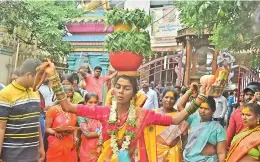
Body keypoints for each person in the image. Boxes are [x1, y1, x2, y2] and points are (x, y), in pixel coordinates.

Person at [41, 60, 210, 162]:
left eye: (126, 88)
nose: (121, 91)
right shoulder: (104, 112)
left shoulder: (143, 114)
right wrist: (54, 77)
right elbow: (68, 107)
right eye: (118, 87)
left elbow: (176, 119)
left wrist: (200, 98)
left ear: (134, 93)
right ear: (113, 90)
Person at [0, 58, 45, 162]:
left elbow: (36, 121)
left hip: (32, 154)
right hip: (12, 155)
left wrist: (41, 147)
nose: (40, 82)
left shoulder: (35, 93)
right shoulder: (5, 94)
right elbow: (1, 128)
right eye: (38, 78)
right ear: (28, 75)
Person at [177, 84, 226, 162]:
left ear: (213, 111)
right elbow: (180, 106)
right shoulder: (193, 118)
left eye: (206, 109)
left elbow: (221, 153)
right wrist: (190, 91)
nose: (202, 111)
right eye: (201, 108)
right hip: (189, 159)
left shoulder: (218, 128)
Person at [150, 88, 189, 162]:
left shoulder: (179, 116)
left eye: (172, 98)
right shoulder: (154, 113)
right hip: (156, 152)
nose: (168, 100)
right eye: (166, 97)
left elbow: (184, 137)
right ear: (162, 98)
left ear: (175, 101)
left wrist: (184, 154)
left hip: (174, 153)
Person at [45, 85, 79, 162]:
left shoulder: (73, 110)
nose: (69, 100)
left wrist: (75, 137)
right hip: (56, 143)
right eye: (67, 97)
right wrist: (56, 133)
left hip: (70, 144)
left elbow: (74, 126)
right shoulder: (53, 110)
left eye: (71, 97)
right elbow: (47, 128)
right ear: (60, 97)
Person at [226, 82, 260, 149]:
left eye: (252, 95)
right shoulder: (236, 113)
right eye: (247, 94)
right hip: (240, 148)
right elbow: (230, 134)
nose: (249, 97)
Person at [78, 93, 102, 162]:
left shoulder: (101, 113)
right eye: (90, 102)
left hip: (101, 146)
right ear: (85, 103)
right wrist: (102, 132)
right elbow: (87, 134)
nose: (93, 105)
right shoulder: (81, 115)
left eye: (95, 102)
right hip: (87, 150)